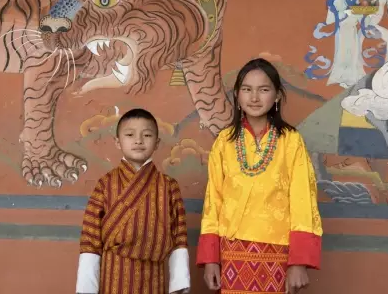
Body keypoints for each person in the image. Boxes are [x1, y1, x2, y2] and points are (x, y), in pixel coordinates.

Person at [196, 58, 323, 294]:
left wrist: (298, 262)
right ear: (236, 95)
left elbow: (303, 201)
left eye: (263, 89)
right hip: (232, 251)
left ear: (276, 96)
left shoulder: (291, 140)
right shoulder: (224, 142)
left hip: (278, 252)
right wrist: (211, 259)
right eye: (247, 89)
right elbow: (213, 202)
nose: (254, 98)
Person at [75, 108, 191, 294]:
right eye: (130, 135)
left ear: (157, 143)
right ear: (117, 142)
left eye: (146, 135)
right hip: (114, 276)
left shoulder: (168, 186)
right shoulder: (106, 184)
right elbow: (90, 239)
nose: (138, 141)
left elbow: (179, 237)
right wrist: (87, 289)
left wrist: (179, 284)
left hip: (154, 277)